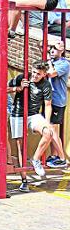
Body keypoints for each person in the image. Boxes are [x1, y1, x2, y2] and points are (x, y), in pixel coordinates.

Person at [8, 61, 66, 191]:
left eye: (38, 74)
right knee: (20, 146)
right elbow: (3, 89)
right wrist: (18, 88)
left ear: (44, 74)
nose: (34, 75)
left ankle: (36, 159)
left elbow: (48, 105)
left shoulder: (45, 85)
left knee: (48, 132)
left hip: (33, 115)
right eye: (33, 72)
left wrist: (46, 121)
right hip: (17, 114)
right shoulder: (22, 77)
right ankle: (24, 181)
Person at [45, 40, 69, 168]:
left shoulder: (64, 64)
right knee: (50, 129)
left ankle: (62, 158)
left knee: (52, 130)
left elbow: (51, 73)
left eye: (55, 48)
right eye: (51, 48)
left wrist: (48, 61)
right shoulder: (52, 62)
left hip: (57, 101)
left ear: (62, 50)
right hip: (50, 100)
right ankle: (54, 156)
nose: (52, 50)